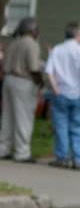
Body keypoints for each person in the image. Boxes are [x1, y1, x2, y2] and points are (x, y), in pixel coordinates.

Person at [0, 16, 44, 162]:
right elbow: (34, 68)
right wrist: (40, 82)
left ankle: (3, 149)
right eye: (36, 29)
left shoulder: (13, 43)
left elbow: (2, 64)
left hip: (8, 80)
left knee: (8, 117)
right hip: (24, 82)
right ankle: (22, 153)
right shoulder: (32, 44)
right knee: (24, 117)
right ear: (32, 30)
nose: (37, 32)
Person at [44, 23, 80, 169]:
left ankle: (62, 157)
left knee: (61, 126)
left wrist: (56, 88)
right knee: (77, 127)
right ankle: (78, 158)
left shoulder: (57, 50)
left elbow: (49, 71)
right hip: (77, 94)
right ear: (77, 35)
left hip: (60, 93)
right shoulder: (78, 50)